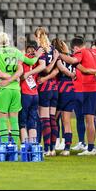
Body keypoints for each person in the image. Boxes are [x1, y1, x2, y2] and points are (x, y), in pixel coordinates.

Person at [60, 37, 96, 155]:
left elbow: (73, 61)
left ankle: (90, 149)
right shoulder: (95, 51)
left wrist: (60, 55)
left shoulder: (80, 52)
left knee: (89, 120)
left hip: (90, 88)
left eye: (73, 51)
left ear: (75, 48)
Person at [34, 27, 59, 156]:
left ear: (36, 37)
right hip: (55, 88)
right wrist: (55, 59)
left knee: (44, 120)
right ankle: (53, 148)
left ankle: (47, 149)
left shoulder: (40, 50)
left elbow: (46, 69)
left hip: (45, 88)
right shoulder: (53, 49)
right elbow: (57, 70)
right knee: (52, 119)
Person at [53, 39, 76, 156]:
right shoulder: (72, 57)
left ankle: (52, 145)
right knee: (66, 120)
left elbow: (61, 68)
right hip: (72, 89)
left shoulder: (58, 57)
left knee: (53, 118)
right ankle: (67, 147)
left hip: (62, 89)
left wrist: (69, 74)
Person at [19, 44, 41, 144]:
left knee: (22, 122)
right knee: (32, 121)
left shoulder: (23, 59)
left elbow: (21, 75)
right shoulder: (37, 61)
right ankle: (33, 145)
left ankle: (24, 145)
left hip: (25, 94)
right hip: (35, 94)